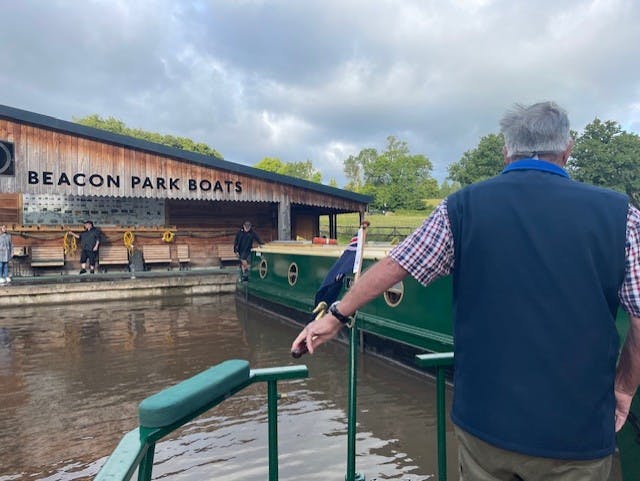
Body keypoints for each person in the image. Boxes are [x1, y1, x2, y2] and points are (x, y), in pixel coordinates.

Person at [291, 101, 640, 481]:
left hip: (485, 427)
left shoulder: (462, 208)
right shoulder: (622, 216)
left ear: (506, 151)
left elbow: (395, 266)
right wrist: (623, 389)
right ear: (568, 149)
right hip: (578, 436)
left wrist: (336, 316)